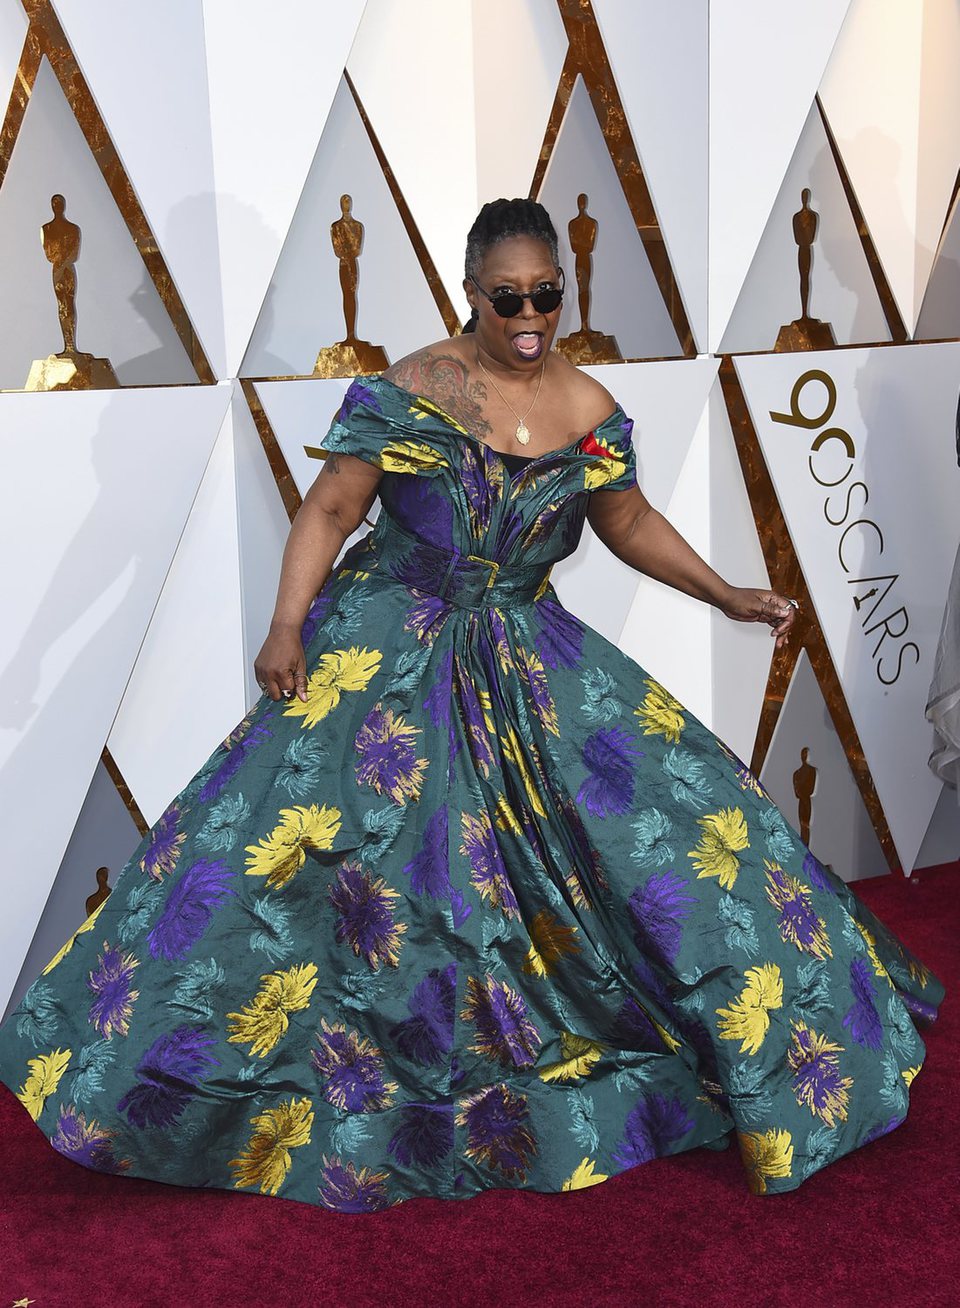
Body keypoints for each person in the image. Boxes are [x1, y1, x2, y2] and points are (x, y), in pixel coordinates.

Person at [0, 199, 941, 1212]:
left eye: (547, 295)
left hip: (529, 654)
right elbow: (331, 508)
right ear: (471, 290)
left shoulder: (586, 407)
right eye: (510, 298)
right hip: (392, 644)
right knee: (313, 871)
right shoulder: (415, 389)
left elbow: (625, 521)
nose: (531, 315)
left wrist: (728, 593)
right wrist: (285, 625)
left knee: (683, 837)